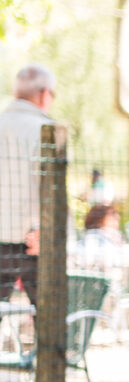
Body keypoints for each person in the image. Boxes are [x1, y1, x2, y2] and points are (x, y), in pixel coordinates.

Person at [0, 63, 57, 305]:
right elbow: (50, 186)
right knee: (47, 315)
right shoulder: (47, 130)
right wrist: (41, 226)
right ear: (44, 94)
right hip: (32, 238)